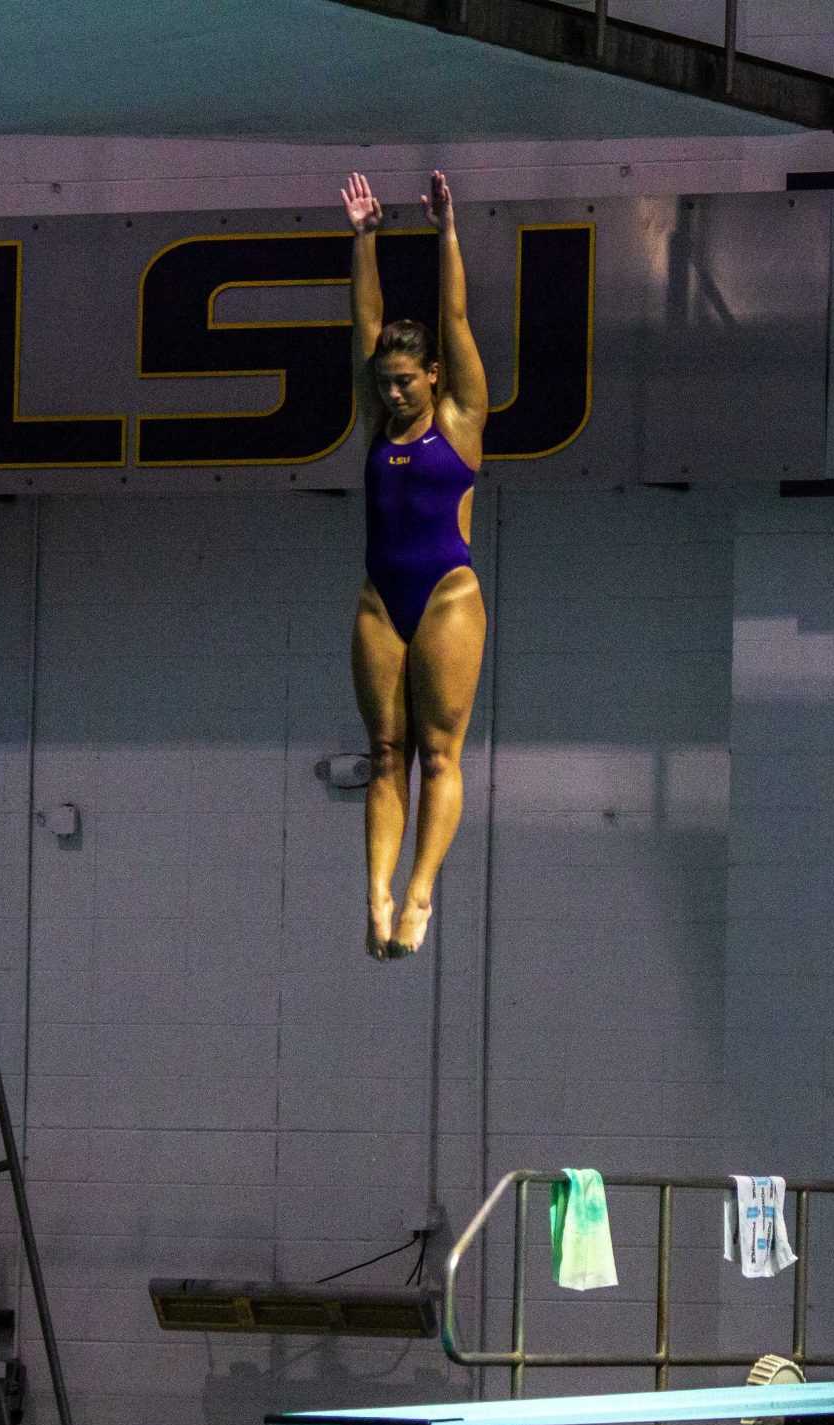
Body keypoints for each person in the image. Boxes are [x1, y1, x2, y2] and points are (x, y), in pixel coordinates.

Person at [341, 169, 487, 960]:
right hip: (380, 598)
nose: (394, 393)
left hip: (447, 596)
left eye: (406, 381)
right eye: (385, 383)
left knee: (438, 753)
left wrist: (446, 232)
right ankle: (376, 891)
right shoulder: (377, 420)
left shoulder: (460, 421)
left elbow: (454, 315)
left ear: (433, 377)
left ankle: (422, 889)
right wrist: (365, 238)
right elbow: (366, 323)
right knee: (384, 753)